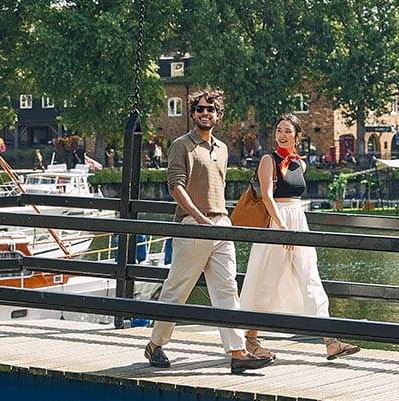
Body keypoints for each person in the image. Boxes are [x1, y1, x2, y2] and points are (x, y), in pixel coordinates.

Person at [143, 89, 272, 374]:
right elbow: (175, 186)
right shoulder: (181, 145)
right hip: (193, 225)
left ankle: (237, 352)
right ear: (192, 114)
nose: (205, 113)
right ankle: (155, 344)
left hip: (221, 224)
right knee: (178, 288)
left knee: (227, 289)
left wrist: (220, 219)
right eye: (200, 109)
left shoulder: (222, 149)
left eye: (210, 109)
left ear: (218, 115)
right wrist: (199, 218)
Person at [240, 114, 361, 361]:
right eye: (279, 130)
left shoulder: (300, 164)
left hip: (298, 221)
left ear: (297, 136)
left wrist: (293, 226)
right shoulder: (268, 160)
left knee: (311, 278)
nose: (282, 135)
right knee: (266, 280)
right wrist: (283, 227)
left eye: (288, 131)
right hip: (277, 223)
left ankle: (331, 341)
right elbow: (267, 196)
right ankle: (251, 339)